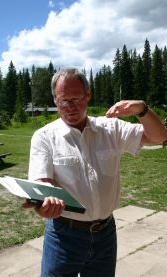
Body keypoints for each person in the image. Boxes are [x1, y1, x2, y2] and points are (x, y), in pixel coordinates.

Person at [23, 68, 167, 277]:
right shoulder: (44, 137)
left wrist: (142, 110)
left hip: (105, 234)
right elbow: (41, 182)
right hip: (63, 236)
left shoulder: (111, 129)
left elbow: (159, 137)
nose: (71, 107)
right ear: (55, 100)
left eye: (77, 99)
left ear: (88, 95)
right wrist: (44, 203)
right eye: (64, 101)